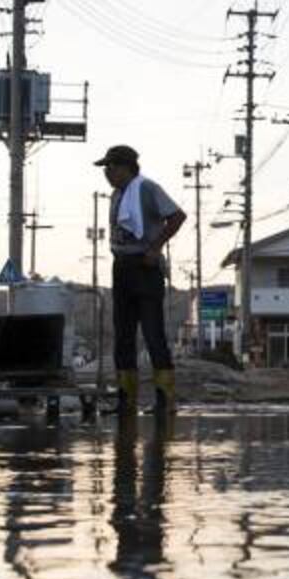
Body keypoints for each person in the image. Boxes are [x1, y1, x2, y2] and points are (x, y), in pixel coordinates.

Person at [97, 144, 186, 413]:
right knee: (123, 334)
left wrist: (156, 247)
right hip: (122, 266)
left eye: (110, 167)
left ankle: (165, 399)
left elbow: (177, 216)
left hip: (145, 266)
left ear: (125, 167)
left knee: (152, 332)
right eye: (105, 168)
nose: (107, 172)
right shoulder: (116, 195)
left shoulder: (146, 188)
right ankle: (126, 399)